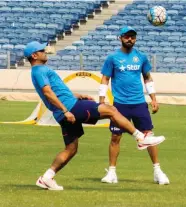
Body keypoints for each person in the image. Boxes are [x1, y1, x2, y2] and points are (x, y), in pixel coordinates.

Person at [24, 41, 165, 191]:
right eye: (42, 50)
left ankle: (46, 178)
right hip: (70, 108)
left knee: (71, 149)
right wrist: (66, 110)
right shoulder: (39, 70)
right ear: (34, 55)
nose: (45, 51)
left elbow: (57, 90)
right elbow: (47, 93)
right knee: (111, 110)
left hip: (68, 107)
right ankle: (140, 138)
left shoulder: (40, 70)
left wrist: (78, 96)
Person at [99, 26, 169, 185]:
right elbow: (105, 79)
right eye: (126, 36)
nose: (130, 39)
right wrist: (101, 101)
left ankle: (158, 171)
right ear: (120, 38)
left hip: (139, 103)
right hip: (120, 105)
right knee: (115, 137)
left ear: (135, 39)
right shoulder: (112, 58)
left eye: (132, 37)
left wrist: (154, 98)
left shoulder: (141, 57)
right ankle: (111, 173)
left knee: (149, 137)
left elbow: (148, 78)